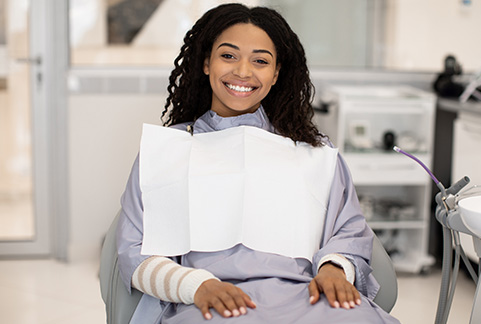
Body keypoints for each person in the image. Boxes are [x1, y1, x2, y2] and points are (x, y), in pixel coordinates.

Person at [117, 3, 400, 323]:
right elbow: (135, 250)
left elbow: (348, 229)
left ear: (276, 73)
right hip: (208, 303)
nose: (243, 71)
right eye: (228, 55)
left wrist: (335, 269)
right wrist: (197, 286)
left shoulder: (313, 153)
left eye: (260, 61)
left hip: (309, 297)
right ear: (206, 62)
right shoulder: (167, 151)